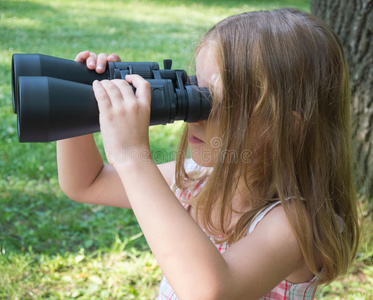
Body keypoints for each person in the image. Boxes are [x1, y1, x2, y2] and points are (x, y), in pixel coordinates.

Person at [57, 8, 360, 299]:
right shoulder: (196, 180)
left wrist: (132, 157)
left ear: (282, 127)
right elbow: (88, 182)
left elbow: (210, 292)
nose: (195, 117)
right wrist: (82, 101)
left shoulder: (295, 222)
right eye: (194, 92)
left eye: (215, 103)